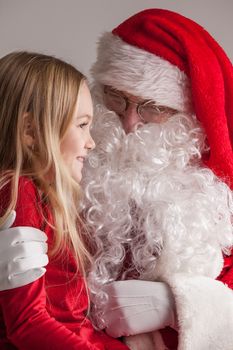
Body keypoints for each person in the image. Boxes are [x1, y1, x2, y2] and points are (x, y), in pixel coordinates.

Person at [1, 8, 233, 350]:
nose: (128, 124)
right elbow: (30, 319)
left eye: (152, 107)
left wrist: (179, 304)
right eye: (117, 99)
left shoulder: (210, 196)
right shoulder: (52, 179)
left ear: (188, 114)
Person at [0, 51, 129, 350]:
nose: (91, 141)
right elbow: (27, 324)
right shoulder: (19, 192)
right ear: (31, 131)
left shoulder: (40, 195)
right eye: (82, 125)